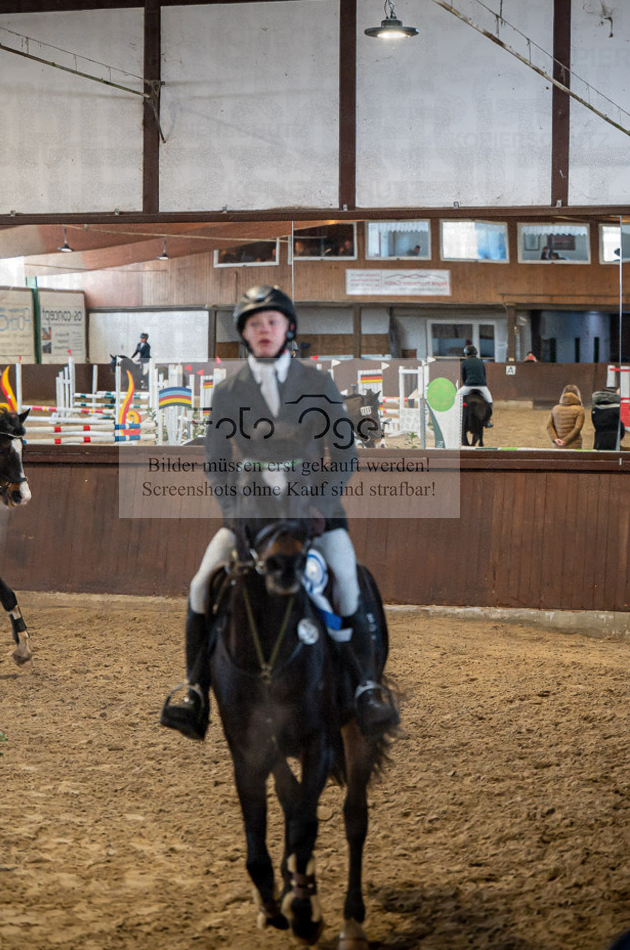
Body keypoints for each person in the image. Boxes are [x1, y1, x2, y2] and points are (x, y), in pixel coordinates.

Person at [160, 284, 399, 742]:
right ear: (244, 334)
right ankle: (194, 691)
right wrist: (233, 511)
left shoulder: (318, 384)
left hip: (313, 515)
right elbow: (216, 460)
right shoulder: (229, 391)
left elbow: (344, 455)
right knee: (200, 585)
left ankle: (366, 688)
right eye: (254, 324)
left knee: (348, 584)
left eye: (271, 321)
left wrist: (320, 506)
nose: (264, 329)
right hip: (251, 517)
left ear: (288, 327)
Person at [458, 344, 493, 427]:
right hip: (482, 386)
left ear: (466, 353)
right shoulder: (481, 362)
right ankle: (488, 421)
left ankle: (457, 417)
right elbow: (484, 375)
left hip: (468, 386)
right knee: (489, 401)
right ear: (475, 353)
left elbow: (463, 376)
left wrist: (466, 384)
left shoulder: (464, 363)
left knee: (457, 397)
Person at [546, 384, 584, 448]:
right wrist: (565, 440)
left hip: (557, 445)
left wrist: (555, 439)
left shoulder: (555, 408)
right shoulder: (580, 409)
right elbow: (577, 428)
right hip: (574, 444)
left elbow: (549, 426)